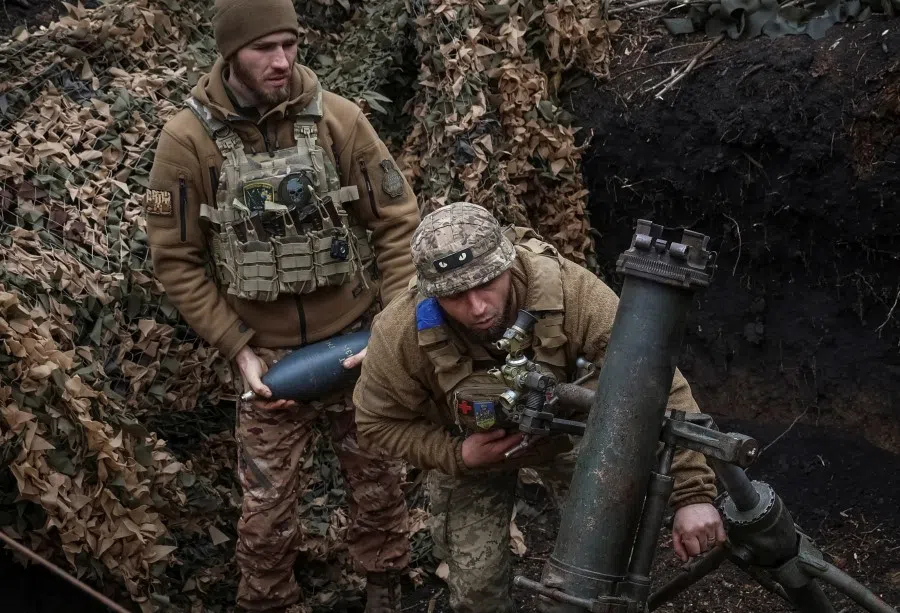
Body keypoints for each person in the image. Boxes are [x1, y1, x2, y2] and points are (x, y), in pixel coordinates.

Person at [142, 1, 419, 611]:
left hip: (357, 343)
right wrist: (238, 348)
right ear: (230, 54)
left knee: (379, 484)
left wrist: (391, 325)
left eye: (289, 44)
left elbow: (398, 223)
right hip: (267, 363)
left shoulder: (339, 119)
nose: (282, 60)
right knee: (266, 512)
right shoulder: (188, 141)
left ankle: (384, 587)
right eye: (263, 48)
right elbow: (176, 260)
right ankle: (268, 601)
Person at [352, 202, 727, 613]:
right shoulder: (401, 330)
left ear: (508, 263)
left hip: (572, 437)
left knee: (603, 571)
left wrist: (692, 493)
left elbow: (657, 385)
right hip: (471, 450)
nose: (477, 307)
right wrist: (456, 455)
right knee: (477, 591)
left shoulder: (571, 291)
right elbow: (375, 421)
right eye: (455, 295)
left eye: (486, 283)